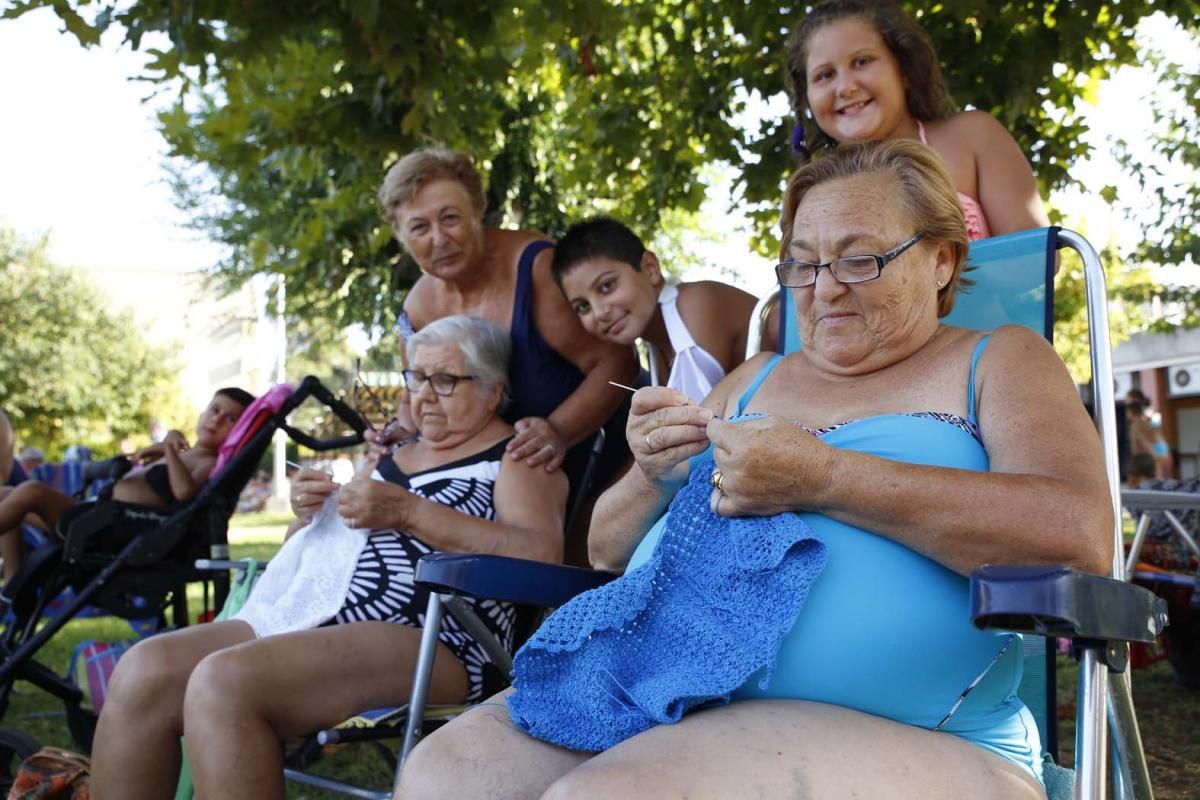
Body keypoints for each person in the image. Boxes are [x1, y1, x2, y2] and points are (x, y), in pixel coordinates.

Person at [397, 140, 1112, 800]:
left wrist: (826, 478)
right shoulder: (755, 376)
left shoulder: (998, 359)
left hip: (927, 732)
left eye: (859, 259)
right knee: (445, 777)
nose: (824, 289)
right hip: (668, 685)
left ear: (942, 261)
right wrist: (652, 473)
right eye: (801, 263)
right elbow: (607, 551)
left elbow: (1078, 539)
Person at [91, 316, 569, 800]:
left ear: (493, 390)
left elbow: (541, 555)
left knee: (224, 681)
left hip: (434, 636)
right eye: (416, 378)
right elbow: (323, 550)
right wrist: (308, 512)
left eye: (445, 380)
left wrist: (410, 512)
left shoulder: (517, 455)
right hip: (310, 614)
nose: (424, 395)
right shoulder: (391, 453)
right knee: (143, 669)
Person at [379, 147, 638, 500]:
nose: (439, 239)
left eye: (451, 218)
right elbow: (415, 401)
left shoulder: (536, 270)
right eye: (420, 227)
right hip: (490, 491)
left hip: (600, 476)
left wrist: (558, 431)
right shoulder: (416, 310)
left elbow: (618, 361)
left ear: (477, 211)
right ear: (401, 236)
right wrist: (401, 432)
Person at [787, 0, 1051, 240]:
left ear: (903, 70)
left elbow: (1037, 257)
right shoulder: (813, 194)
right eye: (825, 75)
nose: (845, 87)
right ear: (808, 97)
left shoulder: (971, 137)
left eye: (862, 61)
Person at [0, 388, 253, 584]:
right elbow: (137, 462)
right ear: (202, 414)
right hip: (98, 516)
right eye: (214, 410)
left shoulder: (208, 462)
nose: (217, 420)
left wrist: (168, 448)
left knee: (31, 492)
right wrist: (163, 447)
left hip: (110, 530)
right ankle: (10, 582)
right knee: (8, 494)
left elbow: (184, 492)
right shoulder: (184, 452)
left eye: (230, 418)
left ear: (238, 433)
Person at [552, 216, 779, 403]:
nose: (600, 312)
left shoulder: (696, 303)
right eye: (583, 306)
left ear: (650, 268)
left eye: (607, 286)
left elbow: (692, 431)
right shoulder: (658, 347)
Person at [1125, 388, 1170, 483]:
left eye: (1128, 399)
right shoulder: (1136, 414)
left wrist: (1162, 451)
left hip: (1151, 451)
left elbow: (1157, 432)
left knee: (1152, 479)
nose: (1126, 402)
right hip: (1144, 451)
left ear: (1135, 399)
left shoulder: (1149, 412)